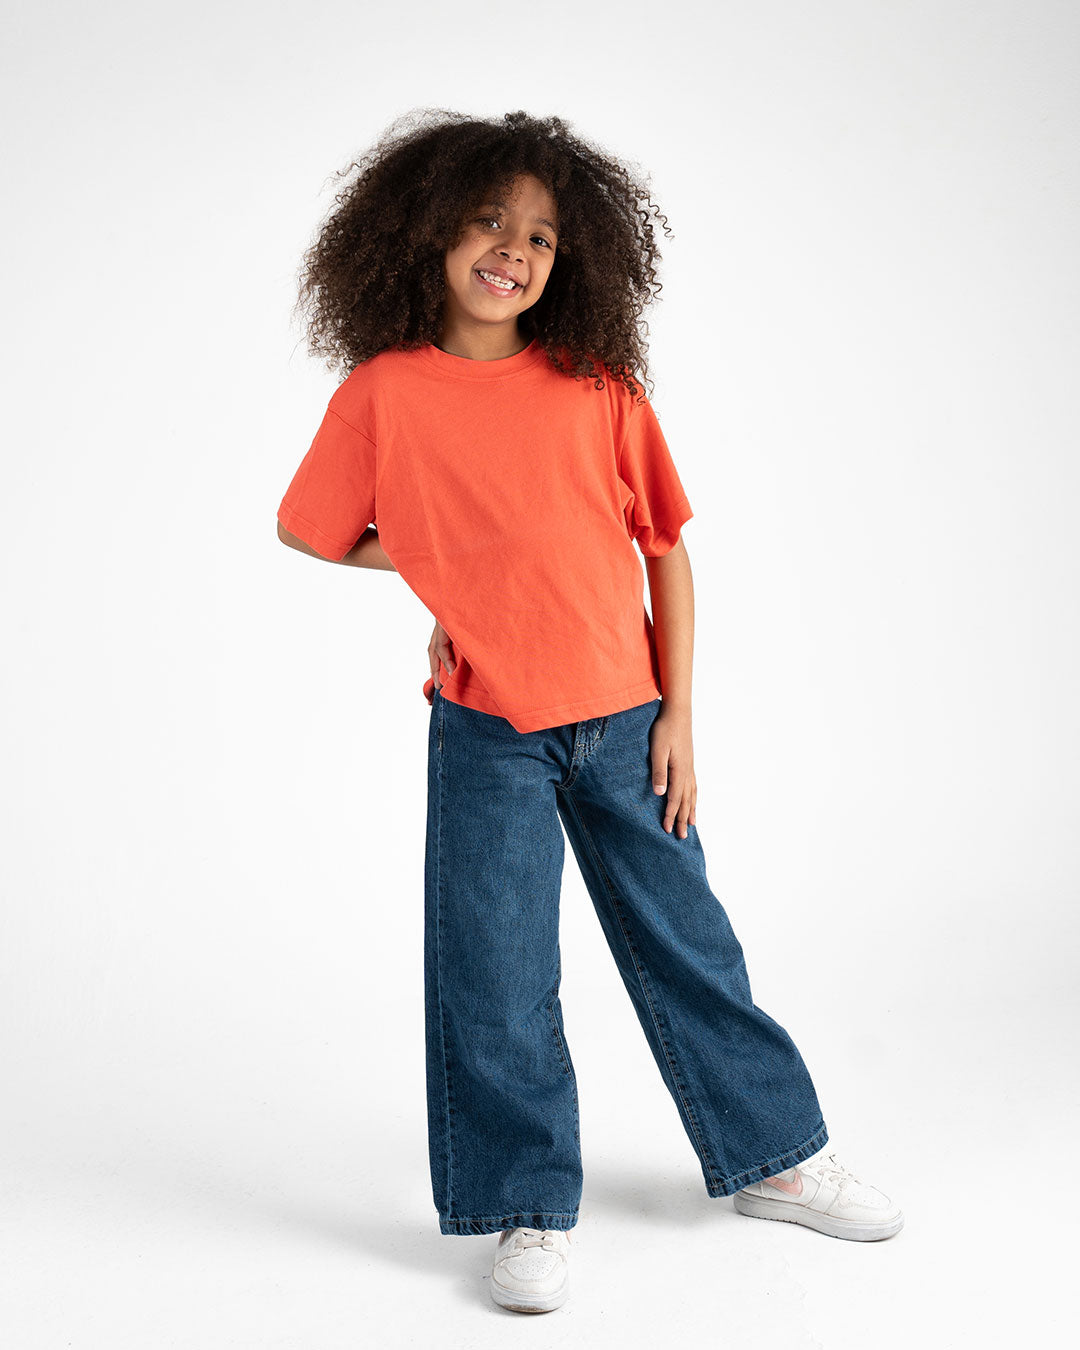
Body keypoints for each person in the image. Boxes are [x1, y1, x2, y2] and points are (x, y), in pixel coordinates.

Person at [276, 108, 904, 1315]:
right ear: (427, 232)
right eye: (489, 222)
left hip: (626, 719)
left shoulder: (596, 388)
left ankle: (776, 1156)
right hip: (488, 732)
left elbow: (665, 549)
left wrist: (681, 715)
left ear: (573, 262)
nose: (513, 251)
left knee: (691, 945)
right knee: (496, 973)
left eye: (542, 237)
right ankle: (525, 1205)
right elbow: (311, 529)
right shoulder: (385, 393)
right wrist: (444, 570)